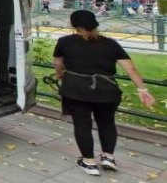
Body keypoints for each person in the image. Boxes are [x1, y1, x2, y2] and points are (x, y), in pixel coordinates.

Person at [52, 10, 155, 176]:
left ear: (74, 25)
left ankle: (89, 162)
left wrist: (60, 74)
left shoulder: (65, 42)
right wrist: (142, 89)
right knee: (107, 123)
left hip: (76, 90)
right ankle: (108, 157)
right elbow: (130, 68)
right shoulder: (110, 44)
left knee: (82, 125)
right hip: (107, 91)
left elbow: (57, 63)